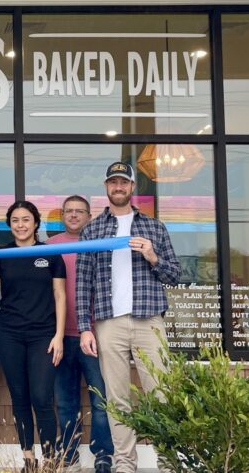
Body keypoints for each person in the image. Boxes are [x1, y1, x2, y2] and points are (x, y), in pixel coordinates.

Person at [76, 162, 181, 473]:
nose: (118, 187)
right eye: (113, 182)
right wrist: (85, 327)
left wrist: (152, 256)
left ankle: (169, 461)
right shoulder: (92, 230)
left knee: (161, 395)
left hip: (149, 320)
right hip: (109, 323)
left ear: (132, 187)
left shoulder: (154, 227)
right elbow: (83, 282)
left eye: (123, 182)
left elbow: (175, 275)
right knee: (116, 398)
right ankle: (125, 464)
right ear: (106, 187)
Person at [0, 200, 65, 472]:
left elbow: (60, 296)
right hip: (9, 333)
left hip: (43, 335)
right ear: (9, 225)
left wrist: (59, 335)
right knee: (20, 396)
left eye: (26, 219)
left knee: (41, 397)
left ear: (36, 223)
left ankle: (49, 460)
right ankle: (28, 458)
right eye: (15, 220)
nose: (21, 225)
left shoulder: (51, 255)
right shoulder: (1, 254)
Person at [48, 195, 115, 473]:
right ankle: (69, 453)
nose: (74, 215)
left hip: (95, 334)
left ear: (90, 216)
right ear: (62, 215)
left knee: (101, 399)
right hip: (61, 335)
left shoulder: (99, 245)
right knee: (65, 400)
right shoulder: (49, 247)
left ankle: (103, 454)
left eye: (80, 211)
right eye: (69, 211)